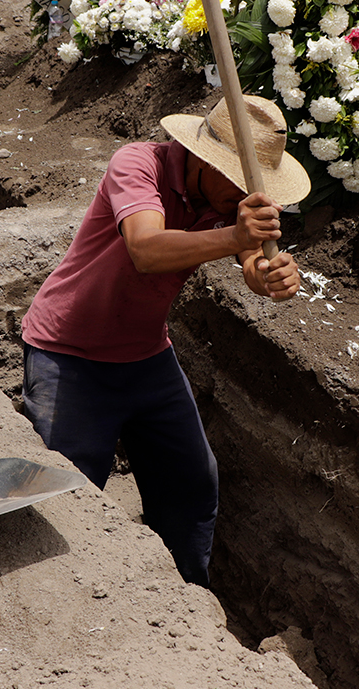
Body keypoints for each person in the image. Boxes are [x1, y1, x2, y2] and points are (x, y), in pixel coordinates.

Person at [18, 95, 310, 586]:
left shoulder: (226, 205)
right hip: (67, 354)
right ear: (202, 158)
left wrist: (271, 274)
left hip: (146, 356)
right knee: (67, 497)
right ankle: (64, 598)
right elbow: (146, 249)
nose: (244, 197)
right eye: (237, 181)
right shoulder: (137, 164)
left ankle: (184, 600)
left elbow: (252, 262)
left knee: (192, 485)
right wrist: (237, 239)